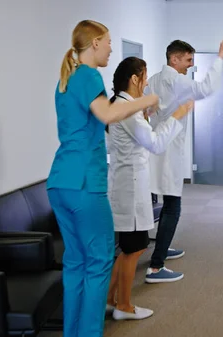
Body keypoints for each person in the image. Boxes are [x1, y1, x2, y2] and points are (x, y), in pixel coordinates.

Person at [46, 20, 159, 337]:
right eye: (108, 41)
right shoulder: (87, 75)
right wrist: (147, 100)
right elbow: (107, 114)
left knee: (76, 264)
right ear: (94, 43)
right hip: (84, 183)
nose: (111, 47)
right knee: (98, 263)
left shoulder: (65, 80)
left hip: (60, 182)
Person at [104, 57, 193, 319]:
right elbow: (155, 143)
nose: (146, 84)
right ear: (135, 79)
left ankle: (111, 299)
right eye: (144, 77)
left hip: (127, 184)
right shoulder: (127, 108)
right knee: (134, 248)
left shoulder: (124, 105)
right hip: (129, 188)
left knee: (131, 248)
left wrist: (147, 115)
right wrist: (176, 116)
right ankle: (124, 306)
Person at [144, 31, 223, 283]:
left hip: (159, 147)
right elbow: (205, 88)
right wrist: (221, 56)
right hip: (169, 149)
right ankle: (156, 266)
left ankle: (162, 246)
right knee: (173, 205)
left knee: (166, 199)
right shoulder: (176, 81)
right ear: (174, 59)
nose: (191, 64)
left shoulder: (154, 79)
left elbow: (148, 108)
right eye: (188, 60)